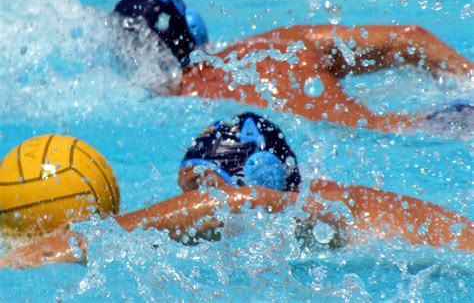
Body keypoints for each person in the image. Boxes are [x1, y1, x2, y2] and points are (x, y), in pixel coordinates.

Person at [0, 113, 472, 269]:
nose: (188, 208)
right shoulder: (331, 211)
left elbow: (235, 203)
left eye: (194, 191)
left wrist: (64, 246)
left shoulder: (322, 205)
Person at [114, 0, 474, 132]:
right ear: (195, 29)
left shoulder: (185, 103)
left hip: (417, 134)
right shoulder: (279, 43)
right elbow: (411, 38)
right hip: (445, 119)